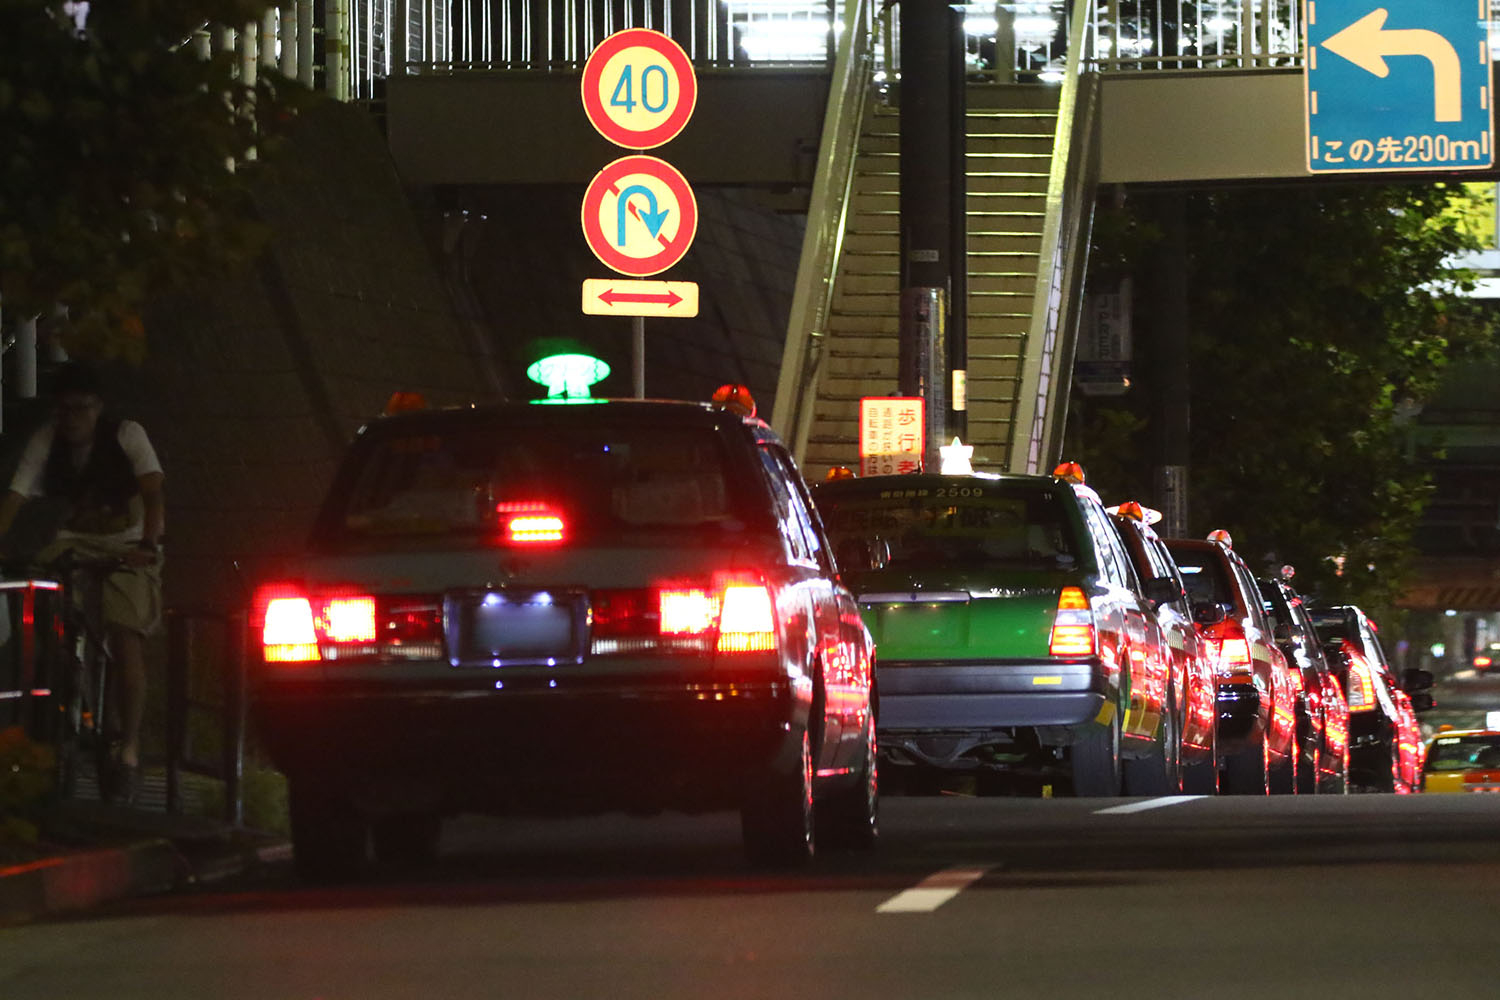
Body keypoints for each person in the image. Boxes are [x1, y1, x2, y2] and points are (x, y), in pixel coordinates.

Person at [0, 361, 164, 802]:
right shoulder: (46, 440)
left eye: (83, 409)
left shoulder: (127, 435)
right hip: (74, 540)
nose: (73, 419)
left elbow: (152, 493)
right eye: (65, 410)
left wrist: (149, 542)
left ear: (99, 408)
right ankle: (50, 697)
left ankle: (128, 747)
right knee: (39, 603)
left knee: (125, 634)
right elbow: (16, 495)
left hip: (125, 542)